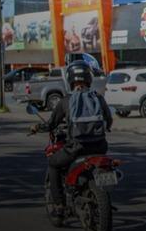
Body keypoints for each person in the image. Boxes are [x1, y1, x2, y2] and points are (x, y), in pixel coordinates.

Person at [43, 61, 113, 207]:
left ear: (70, 79)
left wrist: (38, 127)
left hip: (76, 148)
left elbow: (51, 123)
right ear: (89, 78)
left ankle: (59, 205)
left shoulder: (66, 101)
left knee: (53, 164)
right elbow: (109, 119)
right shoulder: (98, 98)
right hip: (100, 147)